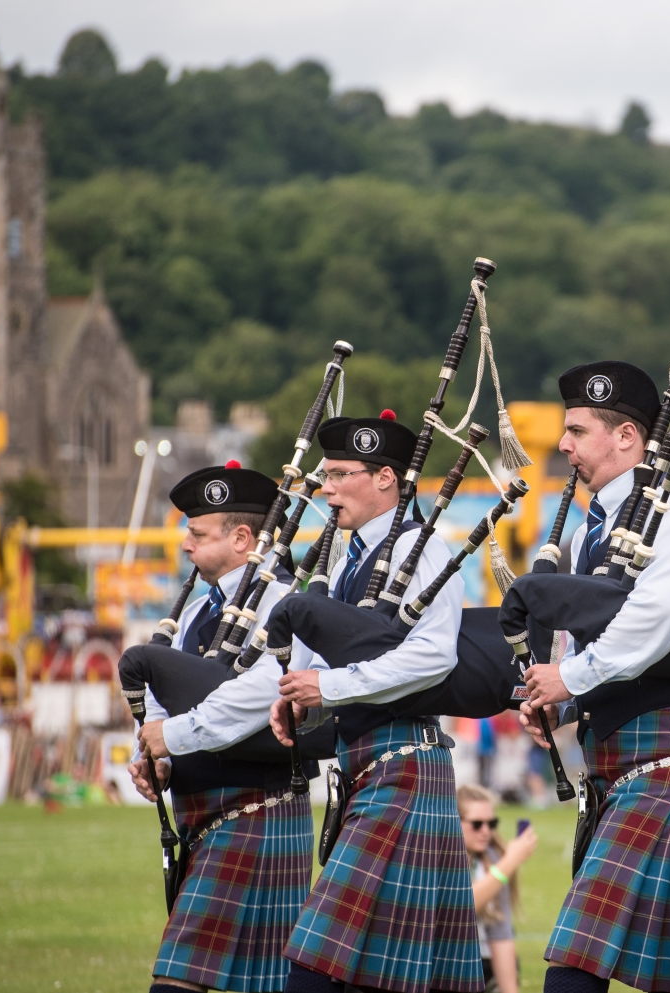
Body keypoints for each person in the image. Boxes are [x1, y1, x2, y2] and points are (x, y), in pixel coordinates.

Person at [519, 360, 670, 993]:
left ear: (626, 437)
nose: (563, 446)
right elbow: (596, 625)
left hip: (667, 755)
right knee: (657, 977)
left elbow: (660, 616)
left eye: (578, 431)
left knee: (576, 961)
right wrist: (559, 700)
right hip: (623, 759)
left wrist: (572, 678)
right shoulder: (599, 525)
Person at [269, 412, 482, 993]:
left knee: (314, 966)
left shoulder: (420, 549)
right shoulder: (346, 559)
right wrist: (297, 692)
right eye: (324, 474)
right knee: (363, 976)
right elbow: (341, 647)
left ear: (386, 477)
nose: (326, 488)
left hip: (404, 766)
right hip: (368, 767)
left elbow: (432, 657)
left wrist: (328, 688)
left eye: (340, 475)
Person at [128, 461, 309, 993]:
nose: (185, 544)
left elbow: (264, 691)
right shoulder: (193, 612)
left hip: (256, 806)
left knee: (178, 980)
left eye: (197, 533)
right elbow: (168, 686)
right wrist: (156, 753)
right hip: (201, 810)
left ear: (242, 537)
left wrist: (175, 737)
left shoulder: (280, 600)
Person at [457, 784, 539, 993]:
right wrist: (510, 862)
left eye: (491, 823)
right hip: (448, 964)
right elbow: (460, 908)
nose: (486, 831)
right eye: (477, 824)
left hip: (484, 965)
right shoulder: (441, 860)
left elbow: (500, 933)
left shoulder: (492, 859)